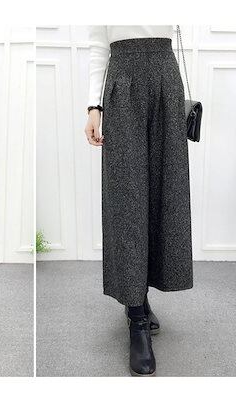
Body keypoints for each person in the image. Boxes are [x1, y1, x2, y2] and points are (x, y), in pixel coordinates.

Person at [84, 26, 193, 376]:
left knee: (165, 190)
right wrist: (93, 106)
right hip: (122, 77)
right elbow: (98, 44)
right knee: (126, 198)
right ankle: (136, 317)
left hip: (164, 76)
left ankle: (142, 293)